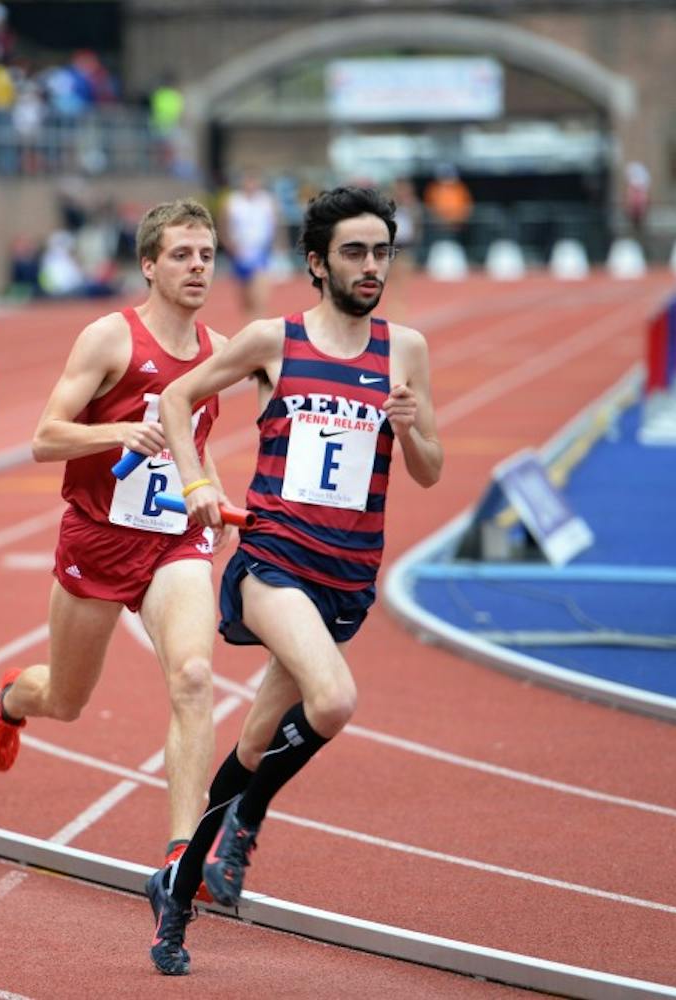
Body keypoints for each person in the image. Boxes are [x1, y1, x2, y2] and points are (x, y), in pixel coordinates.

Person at [147, 186, 443, 975]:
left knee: (251, 742)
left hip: (346, 579)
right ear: (317, 263)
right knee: (335, 699)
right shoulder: (270, 339)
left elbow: (431, 470)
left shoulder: (403, 349)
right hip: (273, 564)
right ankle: (249, 820)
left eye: (382, 251)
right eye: (354, 251)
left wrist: (411, 429)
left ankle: (175, 886)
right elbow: (177, 398)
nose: (371, 265)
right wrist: (198, 485)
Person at [0, 198, 232, 882]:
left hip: (172, 543)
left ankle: (184, 855)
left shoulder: (219, 355)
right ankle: (11, 699)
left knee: (194, 676)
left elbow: (197, 447)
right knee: (65, 699)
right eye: (181, 255)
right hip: (97, 537)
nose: (196, 267)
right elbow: (43, 438)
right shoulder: (109, 338)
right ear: (148, 265)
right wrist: (118, 432)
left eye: (206, 255)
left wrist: (208, 487)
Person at [222, 170, 277, 318]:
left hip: (260, 251)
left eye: (254, 181)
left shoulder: (266, 201)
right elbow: (223, 225)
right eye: (247, 181)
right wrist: (229, 245)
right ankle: (250, 322)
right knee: (245, 299)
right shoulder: (233, 201)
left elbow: (275, 224)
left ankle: (259, 321)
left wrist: (276, 246)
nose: (251, 185)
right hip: (239, 252)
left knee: (259, 295)